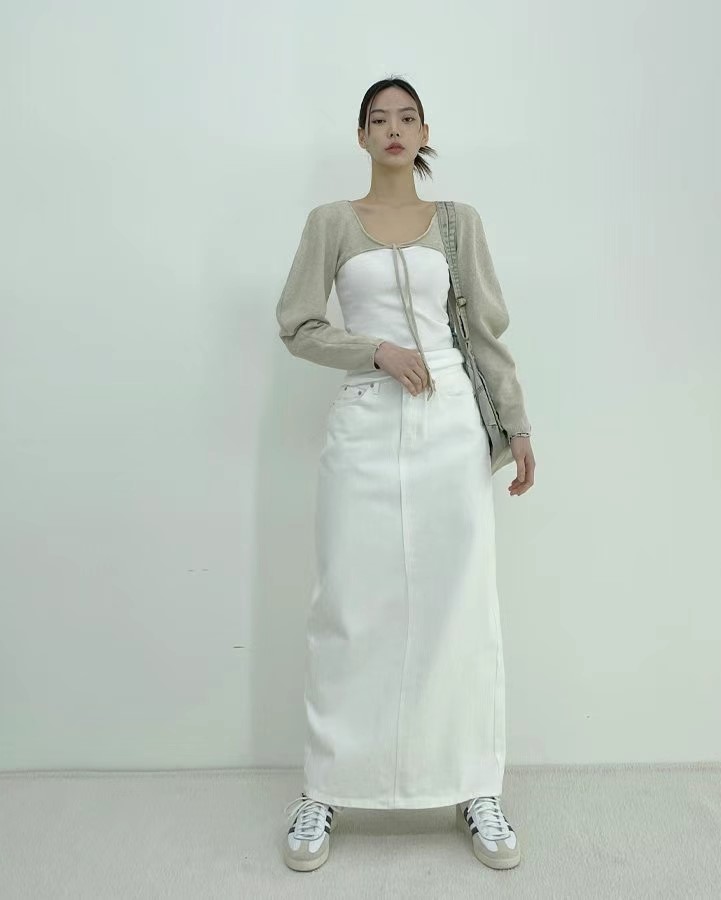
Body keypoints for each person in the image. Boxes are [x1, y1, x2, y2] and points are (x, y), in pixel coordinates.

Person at [274, 76, 536, 872]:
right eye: (378, 118)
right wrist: (375, 350)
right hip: (363, 417)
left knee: (463, 604)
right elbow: (298, 325)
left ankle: (474, 785)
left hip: (450, 424)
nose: (393, 128)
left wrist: (517, 424)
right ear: (361, 135)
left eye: (407, 117)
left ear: (425, 132)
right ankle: (325, 787)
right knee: (348, 603)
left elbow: (485, 329)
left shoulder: (458, 224)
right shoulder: (330, 223)